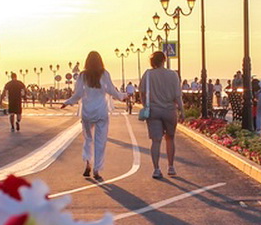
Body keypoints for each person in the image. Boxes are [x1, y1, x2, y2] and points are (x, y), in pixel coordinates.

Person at [61, 51, 126, 181]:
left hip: (87, 112)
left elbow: (78, 94)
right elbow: (111, 90)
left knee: (88, 139)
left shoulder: (82, 75)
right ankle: (97, 169)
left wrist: (67, 102)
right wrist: (122, 96)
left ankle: (87, 163)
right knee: (100, 141)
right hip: (101, 111)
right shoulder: (104, 73)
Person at [139, 51, 185, 179]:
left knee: (156, 141)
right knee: (170, 138)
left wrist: (145, 106)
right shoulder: (173, 75)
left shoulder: (147, 75)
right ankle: (171, 167)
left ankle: (156, 169)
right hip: (170, 110)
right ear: (164, 60)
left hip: (153, 111)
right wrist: (182, 111)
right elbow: (177, 96)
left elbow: (142, 92)